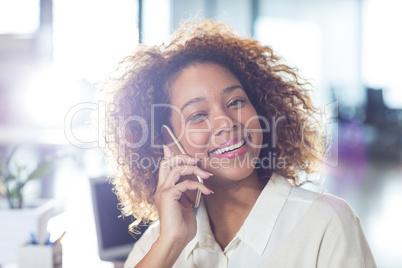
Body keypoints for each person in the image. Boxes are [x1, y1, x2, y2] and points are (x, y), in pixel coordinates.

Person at [100, 19, 376, 267]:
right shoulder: (159, 242)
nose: (226, 122)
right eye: (198, 115)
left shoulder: (326, 223)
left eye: (235, 101)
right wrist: (170, 242)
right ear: (168, 142)